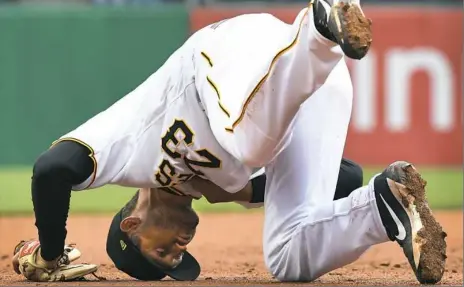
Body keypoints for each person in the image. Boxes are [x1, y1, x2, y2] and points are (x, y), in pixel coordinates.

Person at [12, 0, 446, 284]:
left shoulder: (126, 155)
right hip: (320, 89)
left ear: (132, 225)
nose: (180, 248)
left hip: (231, 57)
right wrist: (247, 191)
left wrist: (50, 254)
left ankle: (319, 27)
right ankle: (385, 208)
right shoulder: (223, 187)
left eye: (162, 250)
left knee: (246, 145)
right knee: (287, 257)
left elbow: (51, 170)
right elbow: (347, 177)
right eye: (175, 258)